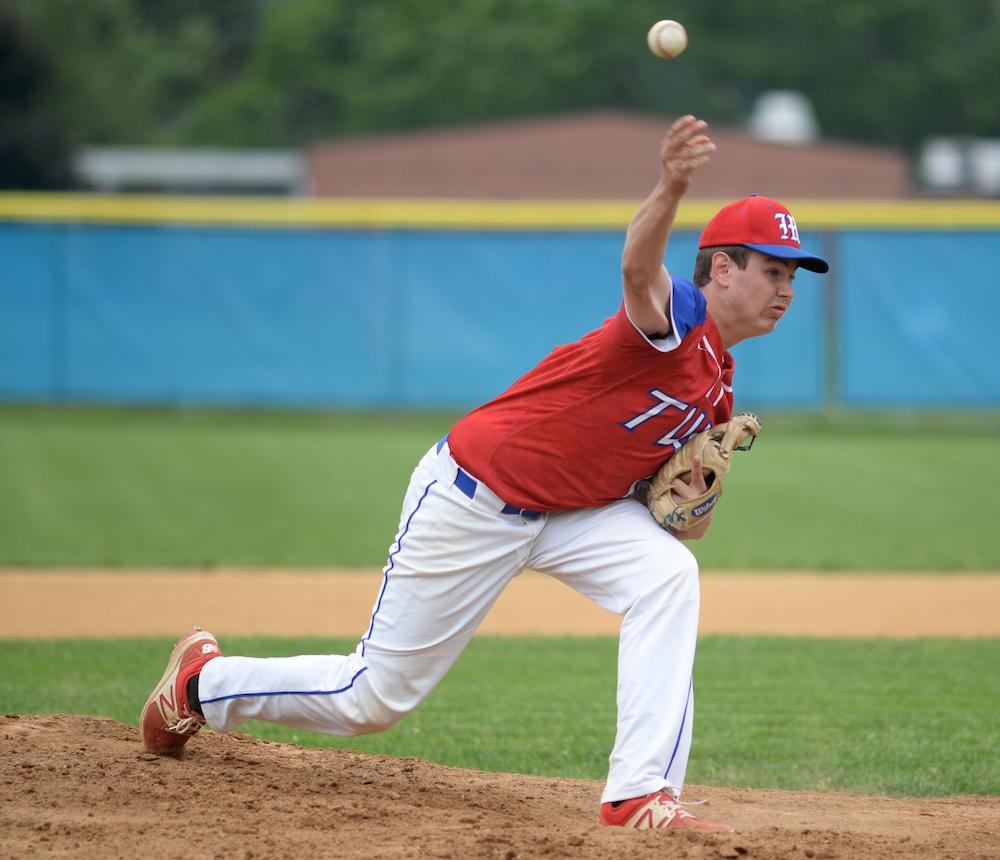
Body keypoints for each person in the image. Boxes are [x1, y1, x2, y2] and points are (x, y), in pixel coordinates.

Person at [140, 115, 829, 832]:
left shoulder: (718, 385)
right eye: (773, 270)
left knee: (667, 575)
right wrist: (670, 186)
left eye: (793, 276)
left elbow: (685, 526)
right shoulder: (674, 322)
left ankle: (639, 794)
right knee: (373, 700)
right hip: (476, 497)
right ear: (722, 269)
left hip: (568, 515)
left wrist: (690, 502)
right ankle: (201, 684)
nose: (786, 288)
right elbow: (636, 269)